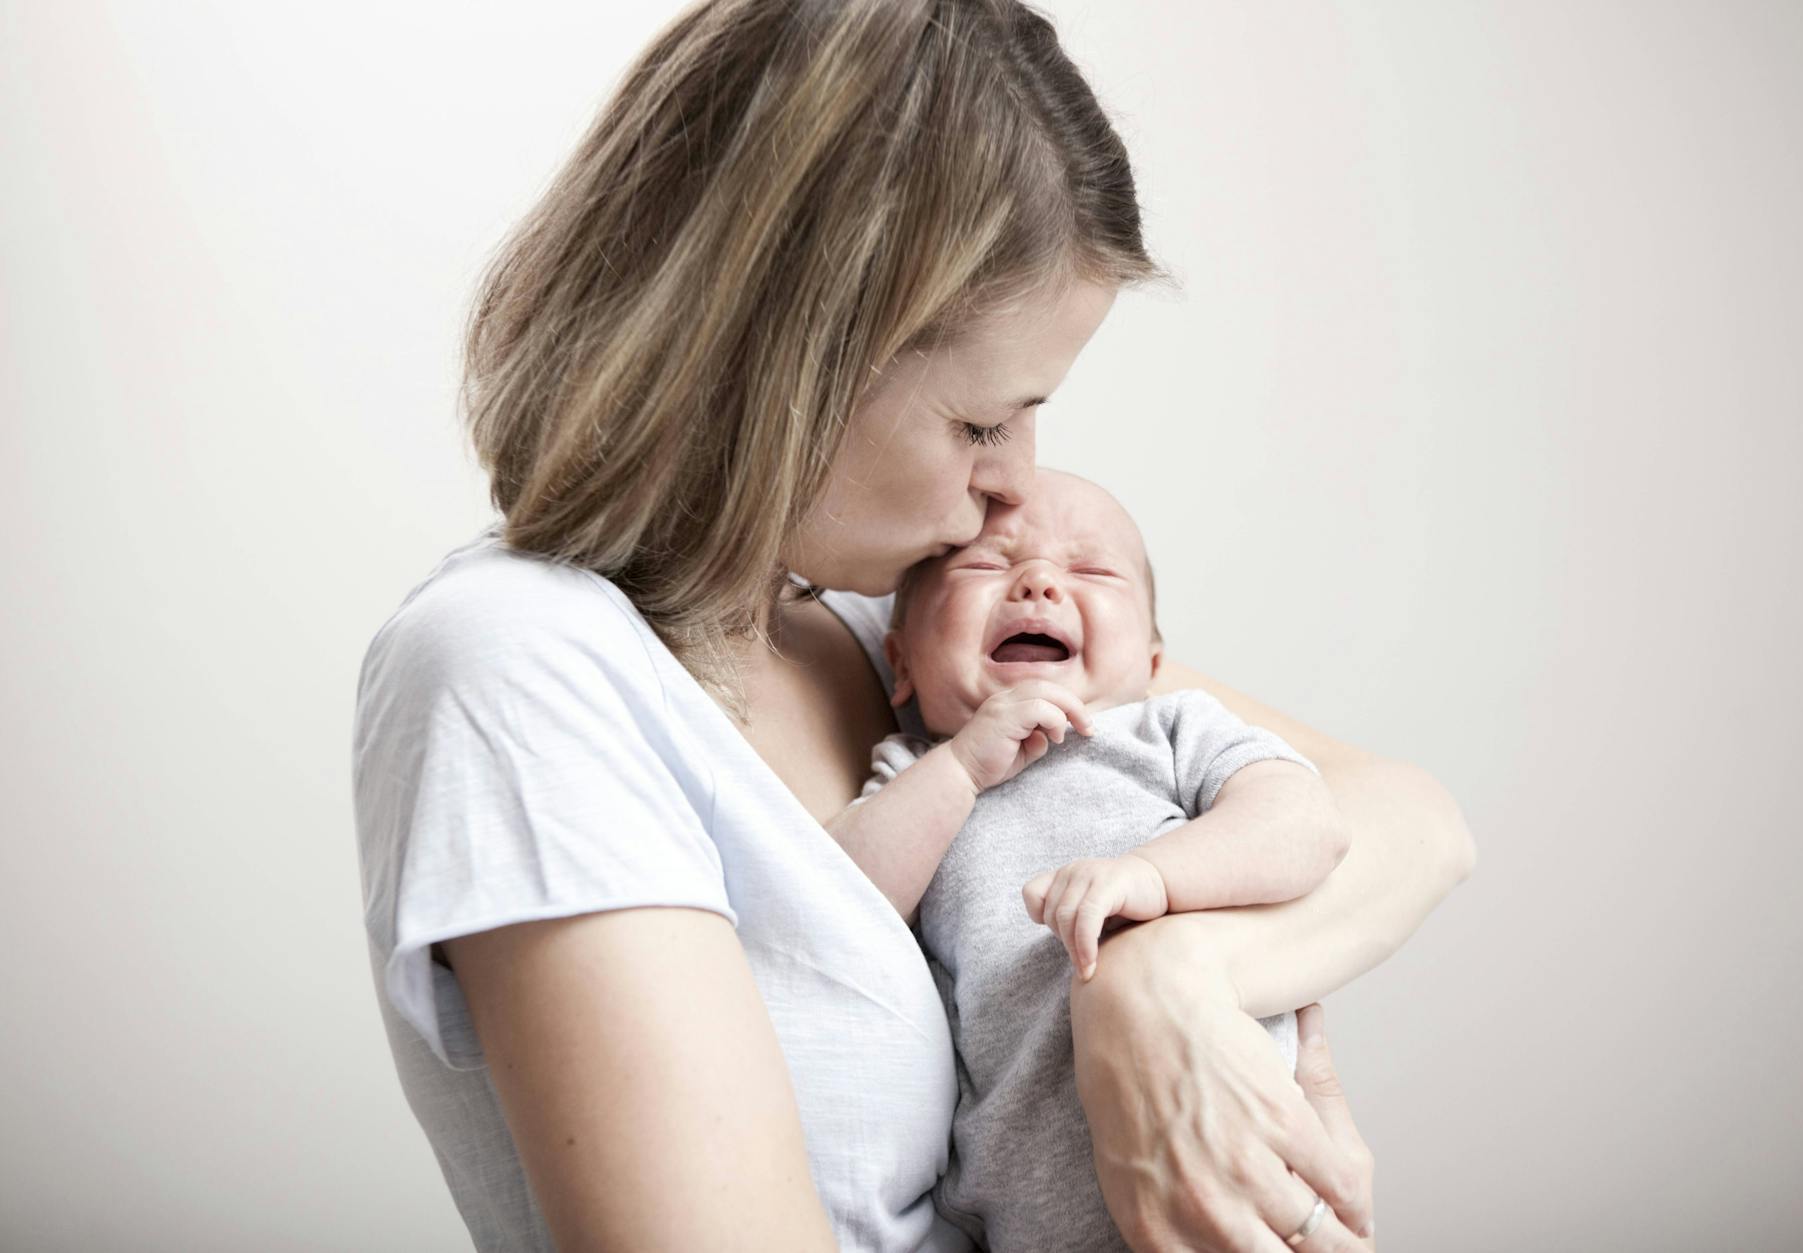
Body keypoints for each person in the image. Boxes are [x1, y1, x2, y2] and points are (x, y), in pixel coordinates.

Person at [351, 1, 1476, 1250]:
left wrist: (1159, 977)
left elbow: (1406, 816)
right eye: (981, 423)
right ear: (786, 359)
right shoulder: (521, 667)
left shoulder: (882, 624)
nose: (1017, 485)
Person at [827, 468, 1357, 1250]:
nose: (1038, 583)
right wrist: (962, 767)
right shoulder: (916, 774)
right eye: (986, 564)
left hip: (1237, 1178)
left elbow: (1306, 822)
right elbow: (837, 902)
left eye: (1092, 570)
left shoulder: (1168, 729)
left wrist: (1155, 874)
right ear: (900, 663)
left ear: (1152, 661)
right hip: (1025, 1222)